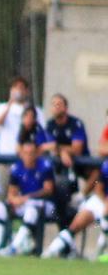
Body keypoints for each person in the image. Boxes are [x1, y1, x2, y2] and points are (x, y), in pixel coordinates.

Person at [0, 139, 54, 256]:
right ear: (21, 153)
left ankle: (14, 247)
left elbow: (48, 190)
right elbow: (12, 193)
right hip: (24, 203)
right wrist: (13, 199)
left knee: (31, 209)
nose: (28, 156)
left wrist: (26, 198)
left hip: (44, 204)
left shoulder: (44, 166)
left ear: (37, 153)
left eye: (31, 153)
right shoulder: (17, 168)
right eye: (26, 153)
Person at [43, 156, 108, 260]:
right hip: (102, 200)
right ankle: (52, 251)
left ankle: (101, 250)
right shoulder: (106, 165)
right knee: (76, 224)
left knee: (105, 220)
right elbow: (98, 188)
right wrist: (105, 202)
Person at [41, 93, 88, 229]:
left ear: (65, 108)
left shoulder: (75, 123)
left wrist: (60, 149)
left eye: (59, 104)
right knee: (60, 192)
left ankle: (82, 196)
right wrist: (62, 151)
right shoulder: (50, 124)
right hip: (60, 170)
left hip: (80, 166)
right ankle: (64, 233)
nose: (56, 107)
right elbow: (48, 147)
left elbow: (77, 149)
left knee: (97, 174)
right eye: (53, 104)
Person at [0, 76, 44, 158]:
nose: (18, 90)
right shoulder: (1, 107)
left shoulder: (36, 110)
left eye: (21, 87)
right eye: (15, 87)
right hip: (5, 153)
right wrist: (10, 104)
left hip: (27, 156)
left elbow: (41, 130)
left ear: (27, 91)